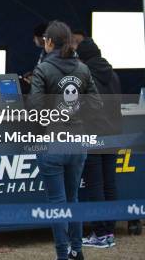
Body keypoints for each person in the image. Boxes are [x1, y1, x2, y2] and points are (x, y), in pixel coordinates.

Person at [30, 21, 101, 260]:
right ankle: (77, 252)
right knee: (73, 199)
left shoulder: (43, 69)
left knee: (57, 203)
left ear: (48, 42)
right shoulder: (82, 68)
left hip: (52, 142)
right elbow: (96, 104)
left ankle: (63, 255)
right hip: (77, 141)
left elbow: (36, 109)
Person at [76, 37, 121, 249]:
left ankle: (101, 233)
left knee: (95, 185)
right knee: (109, 183)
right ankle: (109, 230)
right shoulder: (112, 73)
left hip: (93, 133)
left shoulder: (84, 74)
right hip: (113, 134)